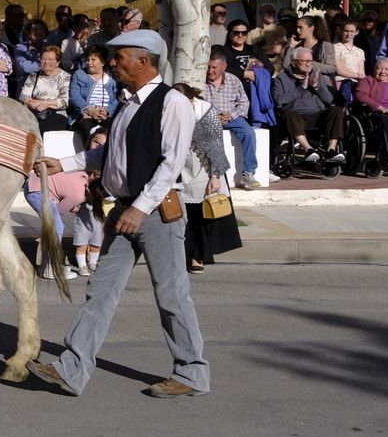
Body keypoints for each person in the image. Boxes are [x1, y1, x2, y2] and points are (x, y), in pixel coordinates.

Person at [27, 28, 210, 399]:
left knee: (172, 296)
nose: (113, 63)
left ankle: (192, 374)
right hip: (124, 211)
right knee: (100, 292)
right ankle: (72, 369)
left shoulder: (172, 103)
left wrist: (140, 209)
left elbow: (171, 166)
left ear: (143, 61)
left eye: (120, 56)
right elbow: (109, 155)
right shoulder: (127, 103)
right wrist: (62, 163)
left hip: (156, 213)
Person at [175, 83, 240, 274]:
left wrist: (216, 176)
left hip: (205, 166)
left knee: (201, 214)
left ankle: (198, 255)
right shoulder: (168, 111)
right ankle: (182, 255)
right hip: (180, 164)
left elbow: (216, 144)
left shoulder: (205, 111)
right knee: (182, 214)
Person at [272, 48, 346, 166]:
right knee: (288, 113)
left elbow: (329, 100)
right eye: (304, 61)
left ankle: (331, 150)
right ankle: (308, 150)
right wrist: (301, 88)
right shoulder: (282, 78)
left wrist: (317, 87)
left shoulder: (317, 75)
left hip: (317, 115)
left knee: (336, 110)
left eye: (310, 61)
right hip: (297, 117)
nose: (308, 64)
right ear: (294, 62)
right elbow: (279, 100)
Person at [204, 52, 262, 189]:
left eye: (214, 67)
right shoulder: (200, 81)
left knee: (248, 133)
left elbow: (244, 103)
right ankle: (214, 175)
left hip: (231, 117)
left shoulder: (233, 80)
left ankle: (248, 173)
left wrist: (230, 115)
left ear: (224, 67)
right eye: (208, 67)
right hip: (208, 118)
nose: (210, 71)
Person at [69, 45, 117, 141]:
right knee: (88, 132)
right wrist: (89, 109)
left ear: (103, 62)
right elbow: (74, 96)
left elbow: (118, 98)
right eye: (87, 60)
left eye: (93, 59)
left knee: (114, 130)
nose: (89, 63)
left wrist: (107, 110)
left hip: (106, 115)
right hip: (84, 115)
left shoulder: (113, 77)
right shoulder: (79, 74)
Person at [21, 46, 72, 133]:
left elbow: (64, 101)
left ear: (58, 62)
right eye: (43, 59)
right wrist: (33, 105)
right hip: (34, 111)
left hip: (56, 113)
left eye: (50, 59)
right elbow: (24, 96)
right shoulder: (33, 76)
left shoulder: (65, 77)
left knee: (43, 129)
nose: (46, 62)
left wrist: (42, 103)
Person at [333, 18, 367, 102]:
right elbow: (339, 71)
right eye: (346, 31)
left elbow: (362, 72)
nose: (349, 34)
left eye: (352, 31)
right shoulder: (335, 47)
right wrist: (359, 76)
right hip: (341, 83)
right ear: (341, 31)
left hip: (357, 84)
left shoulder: (360, 51)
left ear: (357, 32)